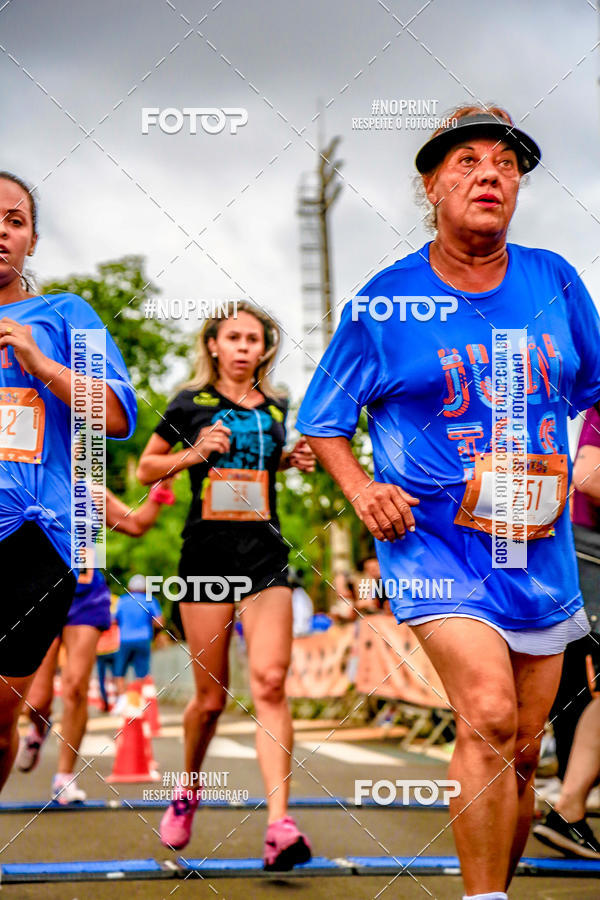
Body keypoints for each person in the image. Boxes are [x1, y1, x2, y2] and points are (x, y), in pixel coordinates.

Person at [296, 105, 600, 900]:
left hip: (536, 544)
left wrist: (585, 456)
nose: (490, 174)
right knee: (491, 715)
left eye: (506, 163)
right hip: (432, 545)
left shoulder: (556, 281)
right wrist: (363, 489)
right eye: (466, 161)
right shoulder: (387, 303)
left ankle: (495, 883)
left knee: (525, 747)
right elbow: (323, 420)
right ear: (431, 185)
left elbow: (597, 388)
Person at [136, 301, 316, 870]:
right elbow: (145, 468)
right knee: (210, 701)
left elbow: (260, 468)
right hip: (207, 558)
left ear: (265, 349)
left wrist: (292, 460)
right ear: (213, 344)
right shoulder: (190, 403)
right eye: (233, 337)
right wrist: (194, 453)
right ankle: (187, 792)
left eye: (254, 339)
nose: (243, 346)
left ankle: (280, 826)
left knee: (269, 682)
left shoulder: (276, 404)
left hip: (265, 555)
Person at [0, 172, 136, 793]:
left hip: (34, 540)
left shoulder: (65, 316)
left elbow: (113, 415)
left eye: (15, 220)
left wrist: (39, 362)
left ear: (32, 239)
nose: (1, 232)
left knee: (1, 719)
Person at [16, 482, 174, 803]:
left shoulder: (91, 491)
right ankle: (37, 728)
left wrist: (160, 491)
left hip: (86, 598)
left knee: (75, 687)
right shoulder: (30, 483)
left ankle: (64, 776)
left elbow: (136, 523)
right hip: (42, 594)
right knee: (37, 699)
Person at [532, 407, 600, 856]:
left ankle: (567, 804)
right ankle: (566, 804)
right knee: (565, 681)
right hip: (587, 548)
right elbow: (589, 473)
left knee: (572, 686)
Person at [113, 573, 165, 700]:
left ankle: (121, 701)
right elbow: (159, 622)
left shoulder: (122, 601)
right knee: (142, 673)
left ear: (130, 588)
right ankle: (140, 700)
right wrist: (156, 636)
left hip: (124, 640)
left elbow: (114, 620)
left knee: (120, 672)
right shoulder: (150, 600)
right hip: (143, 639)